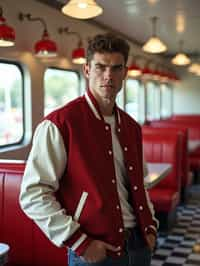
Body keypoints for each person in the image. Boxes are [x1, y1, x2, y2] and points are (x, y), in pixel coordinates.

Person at [19, 33, 158, 266]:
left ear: (124, 73)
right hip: (95, 251)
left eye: (116, 68)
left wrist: (151, 226)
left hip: (140, 245)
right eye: (100, 67)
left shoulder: (132, 127)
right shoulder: (60, 124)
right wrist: (78, 241)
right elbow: (33, 194)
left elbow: (140, 183)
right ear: (86, 70)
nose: (108, 76)